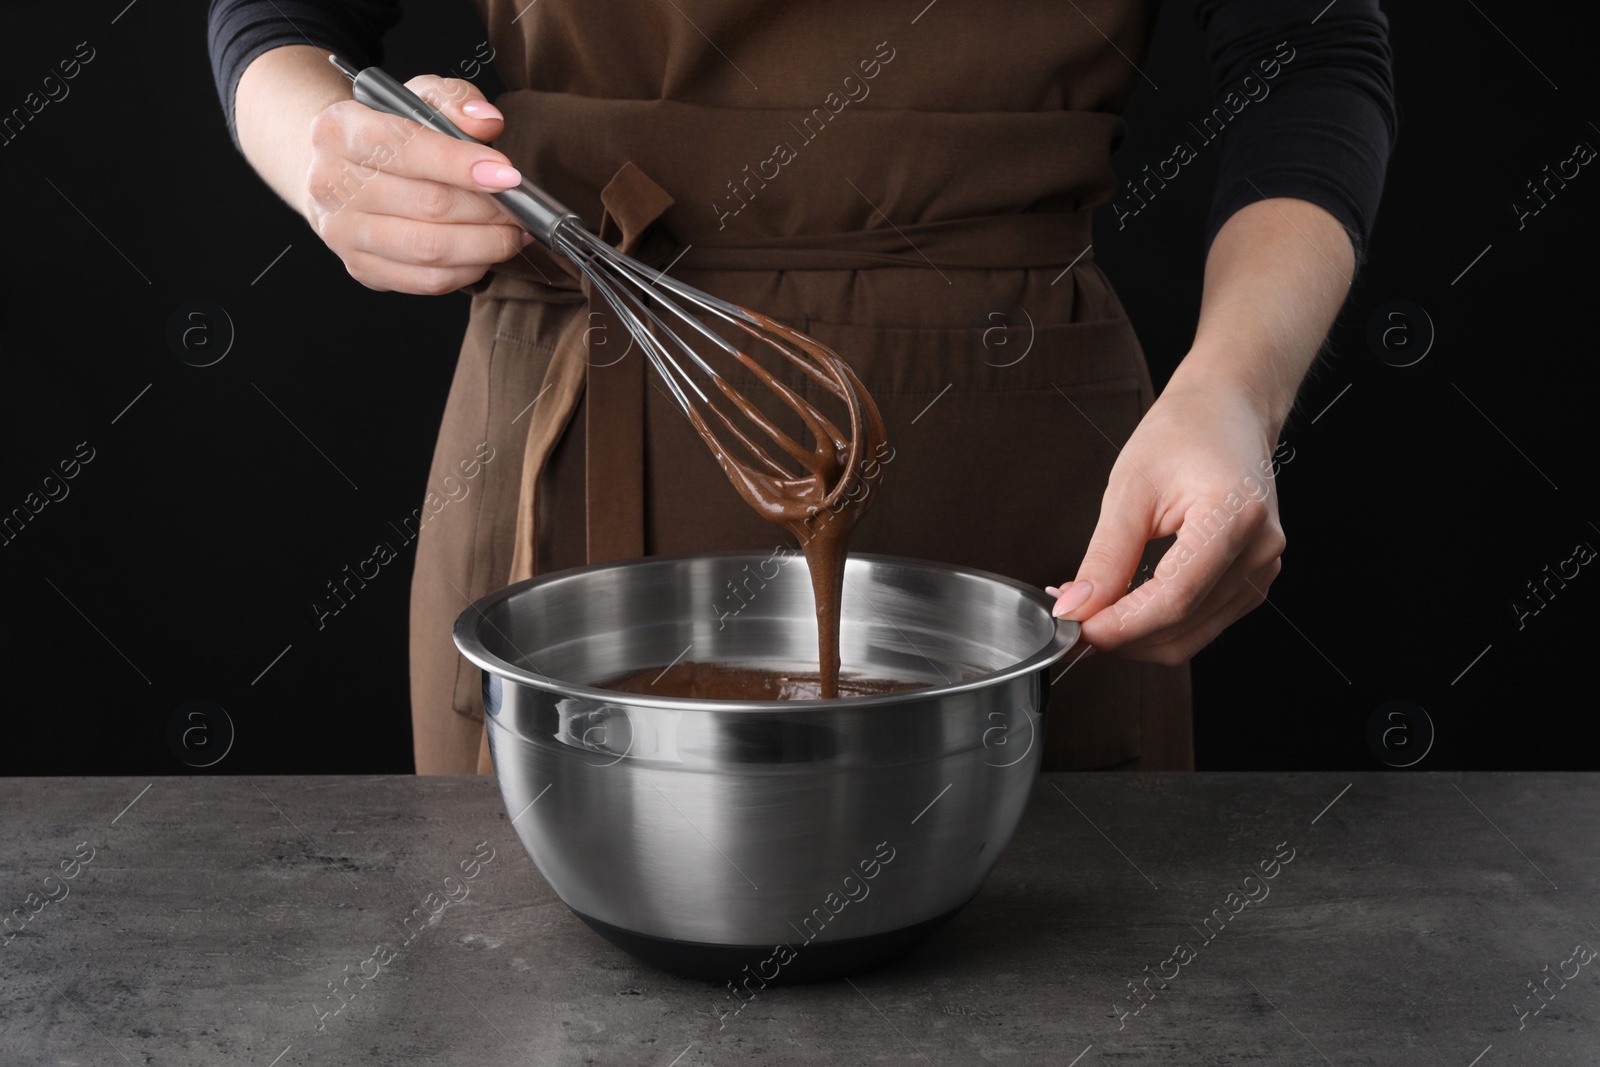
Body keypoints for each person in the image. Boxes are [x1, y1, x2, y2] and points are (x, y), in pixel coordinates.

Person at [208, 0, 1394, 774]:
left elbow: (1311, 57)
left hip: (1025, 472)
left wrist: (1237, 392)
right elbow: (275, 22)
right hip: (577, 422)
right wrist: (329, 159)